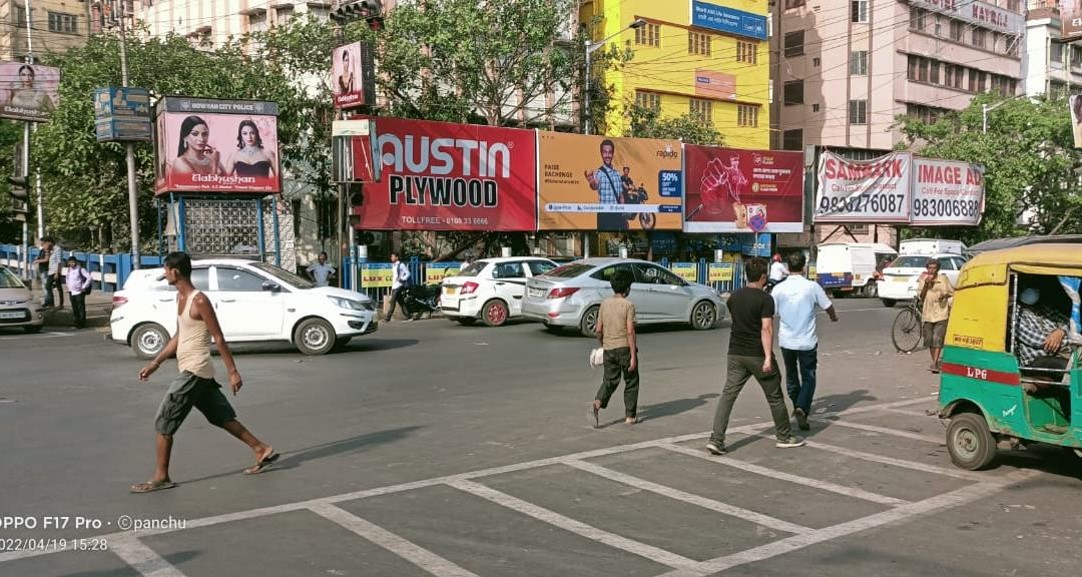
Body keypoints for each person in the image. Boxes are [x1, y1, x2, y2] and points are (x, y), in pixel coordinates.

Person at [131, 252, 277, 493]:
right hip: (195, 371)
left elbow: (218, 337)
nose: (165, 274)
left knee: (164, 421)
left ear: (175, 272)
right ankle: (261, 448)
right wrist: (155, 363)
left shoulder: (199, 300)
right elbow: (179, 335)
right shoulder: (181, 299)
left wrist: (233, 371)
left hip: (194, 370)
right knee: (221, 417)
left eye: (166, 270)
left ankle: (161, 476)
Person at [706, 257, 804, 455]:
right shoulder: (765, 299)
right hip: (757, 354)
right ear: (763, 276)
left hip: (735, 353)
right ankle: (784, 436)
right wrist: (768, 357)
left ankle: (716, 439)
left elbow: (738, 322)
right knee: (774, 395)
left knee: (728, 395)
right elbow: (766, 328)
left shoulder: (734, 297)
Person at [771, 252, 838, 431]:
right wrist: (833, 317)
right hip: (807, 341)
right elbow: (828, 306)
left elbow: (771, 311)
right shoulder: (811, 287)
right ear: (804, 267)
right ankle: (802, 407)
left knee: (792, 376)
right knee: (809, 376)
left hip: (787, 341)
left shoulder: (778, 289)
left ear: (788, 266)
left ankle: (797, 406)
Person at [589, 269, 639, 427]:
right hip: (624, 348)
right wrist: (633, 356)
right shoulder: (628, 305)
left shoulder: (604, 304)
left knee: (609, 381)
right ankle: (630, 416)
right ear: (627, 288)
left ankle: (598, 402)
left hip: (609, 349)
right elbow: (630, 331)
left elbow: (598, 329)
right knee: (631, 381)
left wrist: (603, 344)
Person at [1016, 287, 1071, 384]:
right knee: (1071, 368)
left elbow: (1068, 321)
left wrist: (1060, 332)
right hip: (1035, 361)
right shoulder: (1017, 314)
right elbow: (1037, 341)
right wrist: (1061, 339)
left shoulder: (1046, 308)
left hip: (1058, 353)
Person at [916, 258, 954, 373]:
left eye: (934, 268)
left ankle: (935, 363)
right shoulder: (923, 279)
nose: (932, 270)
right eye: (930, 268)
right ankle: (934, 361)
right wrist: (926, 285)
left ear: (937, 269)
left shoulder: (943, 279)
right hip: (928, 313)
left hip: (941, 312)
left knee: (937, 338)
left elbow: (951, 292)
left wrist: (944, 296)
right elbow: (921, 296)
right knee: (929, 339)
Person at [584, 139, 628, 231]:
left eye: (610, 152)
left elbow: (621, 195)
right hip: (604, 215)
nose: (607, 155)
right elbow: (595, 186)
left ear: (612, 154)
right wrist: (591, 181)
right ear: (601, 154)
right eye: (605, 152)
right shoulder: (599, 173)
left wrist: (623, 211)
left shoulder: (617, 174)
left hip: (617, 215)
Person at [384, 252, 413, 322]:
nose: (391, 258)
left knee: (392, 302)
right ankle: (408, 316)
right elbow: (394, 277)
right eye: (391, 257)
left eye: (393, 257)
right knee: (401, 302)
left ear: (397, 257)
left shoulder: (401, 265)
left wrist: (402, 278)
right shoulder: (393, 265)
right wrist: (392, 287)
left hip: (399, 286)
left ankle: (387, 318)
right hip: (395, 286)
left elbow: (408, 273)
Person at [65, 257, 92, 329]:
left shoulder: (80, 269)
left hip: (79, 291)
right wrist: (68, 287)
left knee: (80, 307)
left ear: (76, 262)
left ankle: (82, 322)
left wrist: (84, 287)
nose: (71, 264)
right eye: (70, 262)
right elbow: (67, 279)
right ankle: (76, 322)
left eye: (73, 262)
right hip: (72, 291)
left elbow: (89, 278)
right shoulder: (69, 270)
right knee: (74, 307)